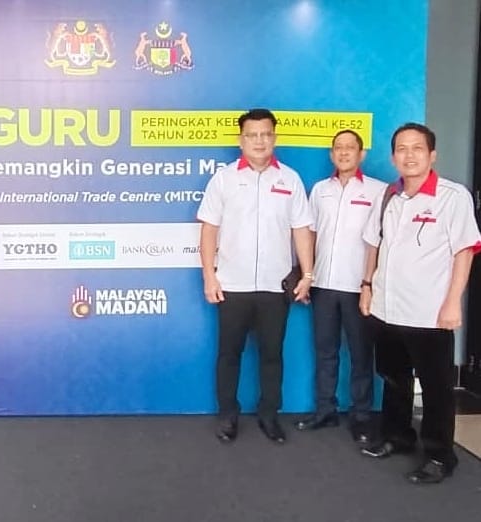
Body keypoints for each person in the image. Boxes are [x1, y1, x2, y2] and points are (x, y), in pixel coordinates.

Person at [359, 123, 481, 484]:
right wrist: (367, 286)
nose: (409, 155)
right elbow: (374, 243)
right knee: (394, 379)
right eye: (402, 149)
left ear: (432, 155)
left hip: (429, 312)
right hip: (386, 307)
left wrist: (453, 302)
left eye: (417, 148)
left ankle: (440, 455)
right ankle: (398, 436)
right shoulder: (388, 196)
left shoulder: (452, 197)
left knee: (436, 387)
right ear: (393, 157)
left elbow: (464, 251)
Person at [197, 108, 314, 444]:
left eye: (266, 134)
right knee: (229, 354)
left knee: (272, 355)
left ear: (274, 138)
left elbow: (301, 229)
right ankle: (227, 415)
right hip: (231, 285)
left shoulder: (290, 179)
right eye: (252, 135)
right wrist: (209, 277)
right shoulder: (224, 179)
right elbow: (209, 230)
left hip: (275, 287)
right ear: (241, 140)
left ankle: (269, 415)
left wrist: (307, 274)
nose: (259, 141)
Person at [295, 130, 385, 444]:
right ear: (332, 154)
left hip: (358, 287)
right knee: (325, 351)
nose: (344, 152)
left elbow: (381, 241)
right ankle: (325, 410)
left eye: (350, 147)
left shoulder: (378, 191)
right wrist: (306, 276)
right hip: (323, 284)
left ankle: (361, 416)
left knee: (361, 355)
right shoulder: (320, 190)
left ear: (361, 154)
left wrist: (370, 283)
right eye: (338, 148)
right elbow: (310, 235)